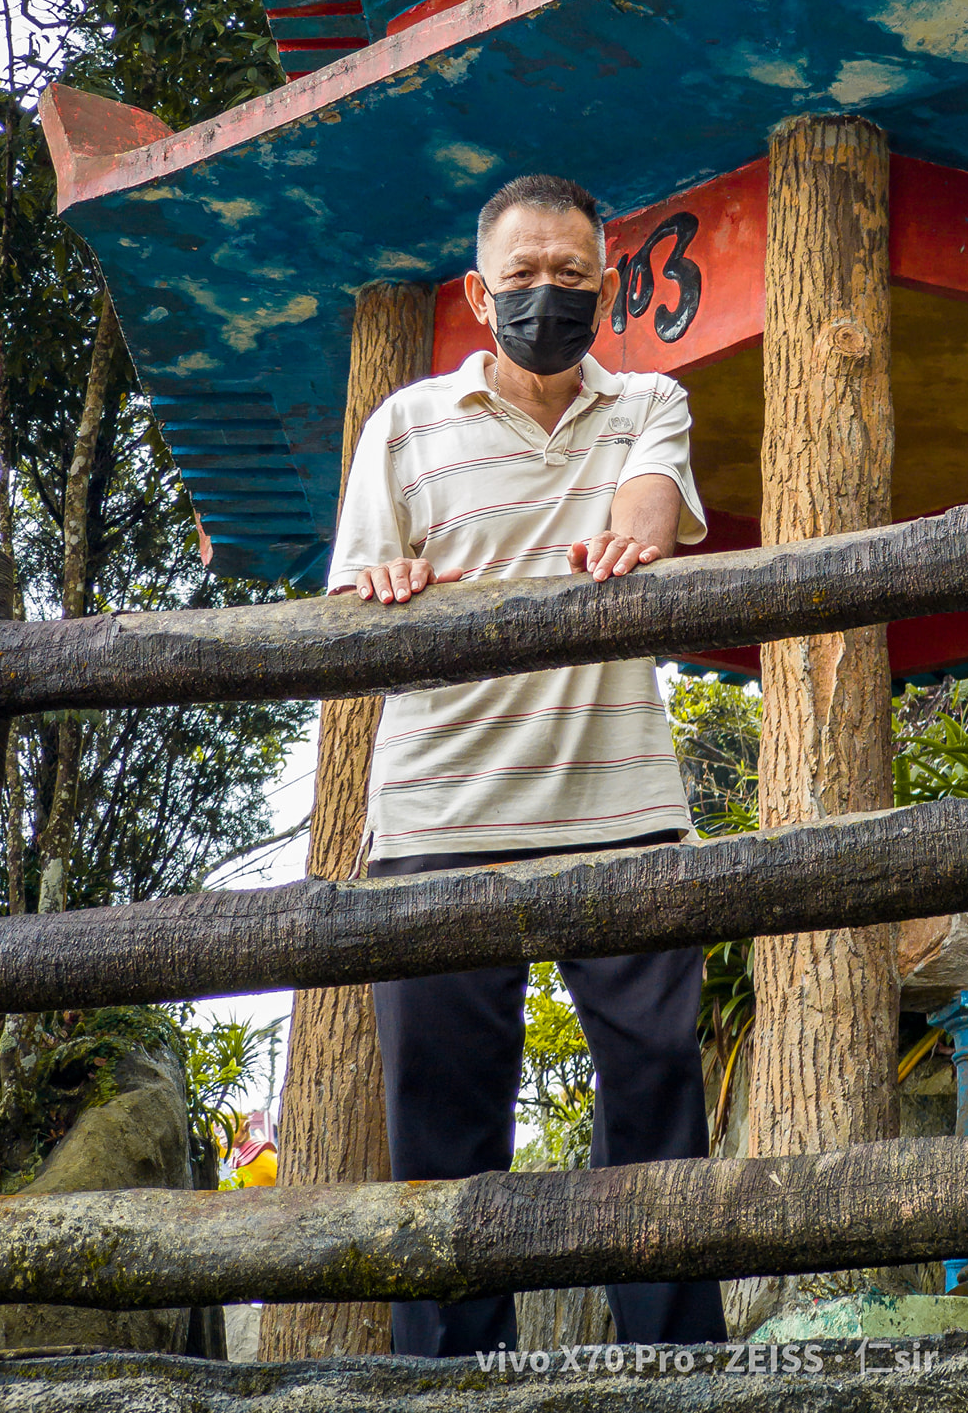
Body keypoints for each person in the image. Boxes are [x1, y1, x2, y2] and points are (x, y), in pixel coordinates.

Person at [328, 172, 727, 1358]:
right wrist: (389, 593)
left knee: (658, 1094)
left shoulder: (649, 399)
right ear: (475, 290)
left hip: (622, 803)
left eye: (568, 275)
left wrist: (629, 534)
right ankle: (452, 1380)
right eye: (521, 278)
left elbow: (651, 512)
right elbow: (359, 592)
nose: (544, 296)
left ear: (605, 284)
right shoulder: (403, 424)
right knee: (442, 1120)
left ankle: (674, 1367)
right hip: (436, 811)